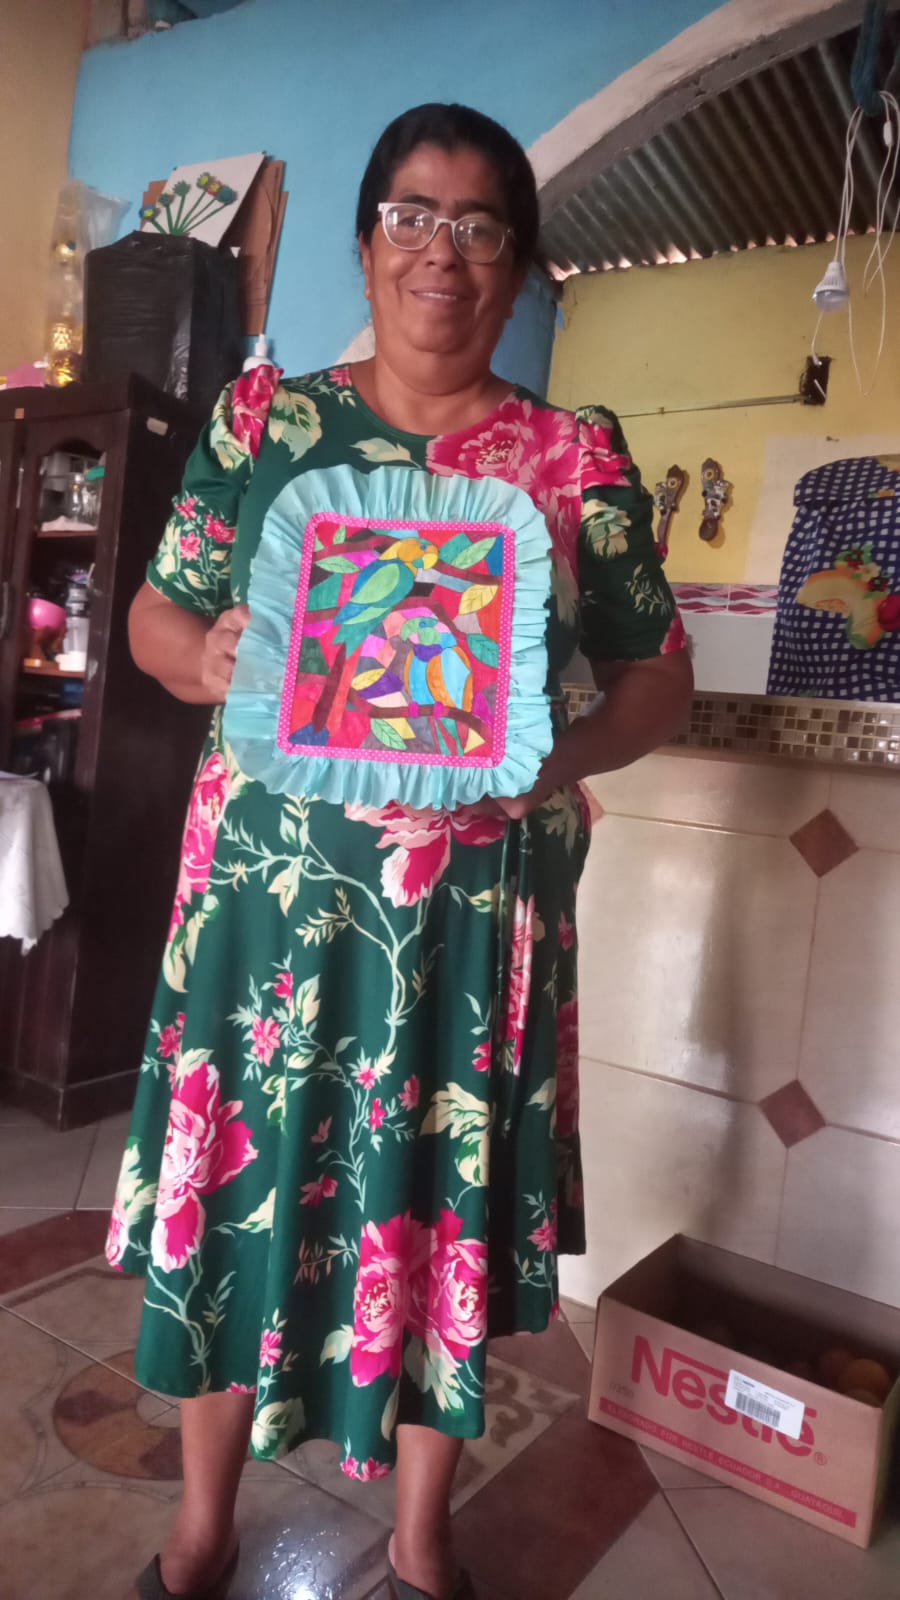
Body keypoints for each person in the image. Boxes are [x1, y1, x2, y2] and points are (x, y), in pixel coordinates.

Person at [114, 102, 693, 1600]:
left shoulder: (572, 456)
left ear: (522, 262)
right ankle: (202, 1524)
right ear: (369, 242)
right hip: (264, 916)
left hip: (469, 923)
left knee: (435, 1208)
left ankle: (424, 1536)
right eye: (415, 216)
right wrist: (207, 654)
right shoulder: (264, 426)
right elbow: (156, 617)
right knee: (239, 1193)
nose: (445, 250)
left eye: (481, 225)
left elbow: (657, 680)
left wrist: (549, 756)